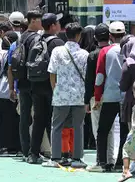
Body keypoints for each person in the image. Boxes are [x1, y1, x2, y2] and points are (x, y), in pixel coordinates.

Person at [43, 23, 88, 168]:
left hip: (61, 95)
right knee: (78, 126)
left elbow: (52, 72)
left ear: (65, 34)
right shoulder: (84, 54)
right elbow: (87, 77)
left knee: (56, 126)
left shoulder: (57, 51)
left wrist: (55, 89)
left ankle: (56, 157)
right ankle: (77, 158)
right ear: (78, 36)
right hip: (79, 96)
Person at [87, 21, 128, 172]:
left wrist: (97, 98)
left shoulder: (105, 51)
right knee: (124, 130)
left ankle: (102, 163)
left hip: (109, 96)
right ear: (124, 34)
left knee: (102, 130)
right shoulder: (128, 48)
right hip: (125, 97)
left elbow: (99, 76)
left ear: (110, 36)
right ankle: (119, 163)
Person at [27, 13, 65, 164]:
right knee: (53, 121)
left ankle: (33, 153)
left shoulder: (36, 40)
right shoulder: (58, 43)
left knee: (38, 120)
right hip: (51, 86)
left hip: (36, 84)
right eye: (58, 22)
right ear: (53, 26)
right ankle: (56, 153)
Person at [8, 10, 43, 161]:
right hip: (34, 82)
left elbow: (11, 66)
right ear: (33, 21)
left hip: (21, 82)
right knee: (38, 117)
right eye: (39, 21)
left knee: (24, 116)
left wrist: (11, 87)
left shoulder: (19, 39)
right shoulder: (36, 38)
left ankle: (25, 149)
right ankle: (35, 151)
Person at [84, 23, 116, 167]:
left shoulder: (92, 55)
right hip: (111, 94)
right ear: (109, 36)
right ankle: (110, 158)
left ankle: (101, 159)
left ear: (95, 37)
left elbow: (90, 80)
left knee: (99, 128)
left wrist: (86, 100)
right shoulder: (114, 52)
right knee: (110, 129)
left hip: (96, 96)